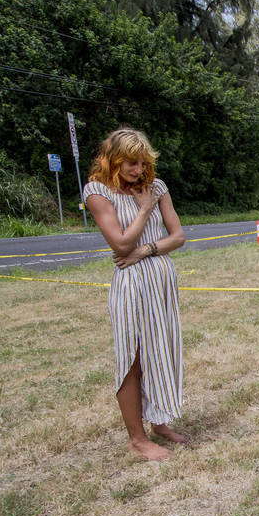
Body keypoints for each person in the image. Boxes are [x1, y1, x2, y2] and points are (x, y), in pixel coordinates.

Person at [83, 128, 186, 461]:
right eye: (130, 162)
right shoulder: (98, 192)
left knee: (161, 350)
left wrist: (146, 251)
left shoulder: (157, 188)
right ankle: (137, 439)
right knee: (134, 358)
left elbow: (178, 236)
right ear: (113, 158)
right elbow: (121, 243)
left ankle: (160, 421)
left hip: (160, 280)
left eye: (142, 163)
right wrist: (143, 211)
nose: (138, 170)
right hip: (131, 285)